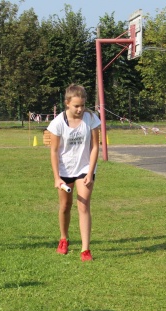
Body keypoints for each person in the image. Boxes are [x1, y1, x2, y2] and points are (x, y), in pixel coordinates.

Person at [48, 84, 100, 262]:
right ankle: (64, 238)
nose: (80, 109)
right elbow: (54, 151)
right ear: (67, 103)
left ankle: (85, 250)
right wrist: (57, 177)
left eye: (83, 105)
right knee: (65, 206)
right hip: (65, 169)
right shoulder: (58, 123)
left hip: (85, 168)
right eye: (76, 106)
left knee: (83, 205)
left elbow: (95, 147)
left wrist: (90, 172)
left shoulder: (91, 119)